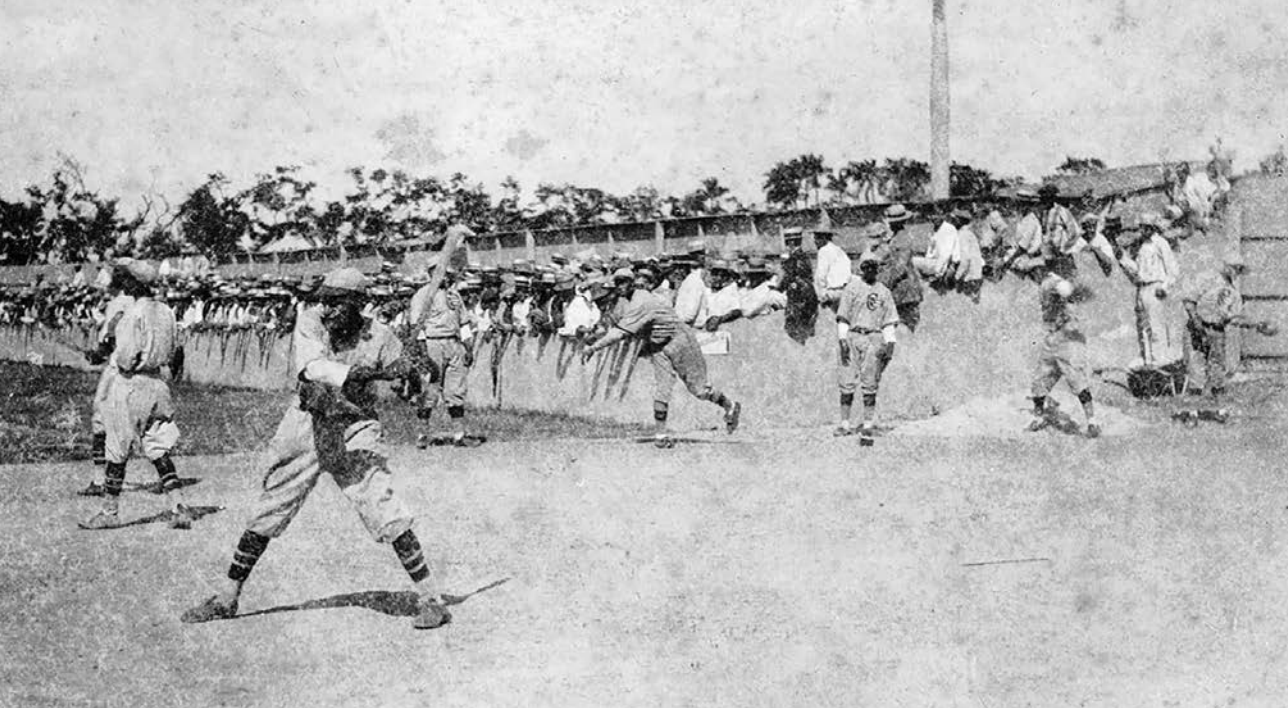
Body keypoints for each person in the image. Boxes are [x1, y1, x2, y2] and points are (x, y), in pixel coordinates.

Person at [181, 267, 452, 629]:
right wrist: (376, 373)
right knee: (271, 507)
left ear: (358, 304)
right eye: (324, 300)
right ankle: (227, 597)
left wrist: (416, 369)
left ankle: (432, 600)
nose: (327, 308)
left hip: (355, 427)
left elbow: (414, 390)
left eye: (337, 303)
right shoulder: (311, 322)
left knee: (384, 506)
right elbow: (314, 369)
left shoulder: (382, 336)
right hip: (307, 423)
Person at [78, 259, 192, 529]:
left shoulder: (132, 313)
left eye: (125, 279)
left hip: (131, 384)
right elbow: (176, 351)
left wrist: (106, 357)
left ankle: (109, 513)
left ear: (132, 283)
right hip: (158, 384)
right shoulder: (167, 311)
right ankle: (179, 507)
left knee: (117, 447)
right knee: (157, 446)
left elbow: (127, 357)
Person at [582, 268, 741, 446]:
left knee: (699, 390)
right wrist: (593, 334)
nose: (620, 286)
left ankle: (730, 405)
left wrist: (593, 348)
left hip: (679, 339)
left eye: (624, 282)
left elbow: (619, 333)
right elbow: (609, 327)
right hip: (657, 344)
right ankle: (661, 435)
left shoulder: (640, 301)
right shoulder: (619, 304)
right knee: (662, 388)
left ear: (631, 282)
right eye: (617, 283)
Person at [406, 257, 475, 448]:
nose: (445, 275)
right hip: (432, 343)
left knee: (456, 390)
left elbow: (463, 322)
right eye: (439, 271)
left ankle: (459, 435)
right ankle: (422, 435)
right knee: (428, 391)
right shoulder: (422, 295)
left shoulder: (454, 295)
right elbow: (416, 325)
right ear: (431, 273)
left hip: (453, 343)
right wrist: (423, 354)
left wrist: (469, 348)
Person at [1027, 262, 1100, 438]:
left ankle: (1092, 421)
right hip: (1054, 338)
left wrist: (1075, 292)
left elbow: (1066, 290)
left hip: (1066, 339)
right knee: (1040, 379)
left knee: (1076, 380)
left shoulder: (1051, 282)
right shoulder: (1048, 283)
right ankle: (1039, 417)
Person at [834, 251, 899, 438]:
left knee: (870, 383)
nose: (869, 270)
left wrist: (890, 345)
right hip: (854, 336)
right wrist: (843, 339)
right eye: (866, 267)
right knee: (847, 382)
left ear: (877, 269)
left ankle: (868, 424)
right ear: (861, 268)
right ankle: (845, 424)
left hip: (873, 338)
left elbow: (888, 321)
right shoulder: (852, 288)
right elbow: (844, 317)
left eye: (873, 267)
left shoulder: (884, 292)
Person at [1182, 253, 1257, 402]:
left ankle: (1219, 407)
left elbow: (1233, 318)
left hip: (1217, 331)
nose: (1236, 272)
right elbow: (1189, 301)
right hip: (1197, 327)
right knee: (1196, 366)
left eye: (1239, 269)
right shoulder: (1207, 280)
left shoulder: (1233, 293)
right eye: (1234, 268)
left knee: (1217, 368)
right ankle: (1193, 409)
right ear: (1226, 266)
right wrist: (1197, 323)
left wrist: (1255, 325)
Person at [1118, 214, 1180, 367]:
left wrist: (1165, 287)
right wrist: (1123, 259)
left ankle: (1160, 359)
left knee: (1156, 325)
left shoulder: (1160, 243)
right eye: (1142, 227)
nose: (1143, 230)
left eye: (1146, 227)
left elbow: (1172, 269)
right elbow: (1138, 270)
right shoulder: (1141, 245)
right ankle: (1147, 359)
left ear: (1153, 227)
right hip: (1142, 288)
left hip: (1155, 287)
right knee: (1143, 326)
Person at [875, 204, 924, 331]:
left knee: (906, 329)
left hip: (906, 292)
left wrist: (883, 283)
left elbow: (900, 267)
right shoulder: (896, 238)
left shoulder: (902, 239)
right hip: (900, 291)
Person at [912, 208, 961, 283]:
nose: (933, 218)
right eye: (931, 216)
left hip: (941, 265)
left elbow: (945, 255)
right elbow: (931, 250)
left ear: (942, 215)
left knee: (911, 261)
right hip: (935, 262)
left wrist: (938, 274)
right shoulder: (935, 229)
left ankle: (922, 282)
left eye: (936, 215)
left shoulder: (948, 229)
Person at [673, 243, 711, 328]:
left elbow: (689, 315)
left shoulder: (693, 281)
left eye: (679, 268)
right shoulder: (688, 281)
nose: (676, 271)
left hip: (693, 329)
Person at [812, 229, 851, 309]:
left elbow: (821, 276)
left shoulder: (823, 251)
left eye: (816, 239)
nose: (815, 242)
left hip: (831, 293)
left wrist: (821, 295)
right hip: (844, 291)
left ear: (824, 238)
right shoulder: (839, 250)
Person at [703, 259, 744, 330]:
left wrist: (720, 319)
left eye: (723, 275)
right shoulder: (705, 290)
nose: (719, 278)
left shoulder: (731, 289)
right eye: (716, 274)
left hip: (724, 329)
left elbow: (737, 311)